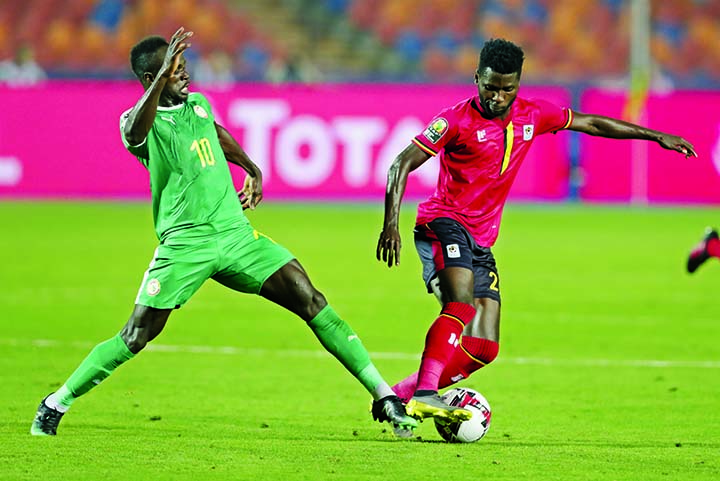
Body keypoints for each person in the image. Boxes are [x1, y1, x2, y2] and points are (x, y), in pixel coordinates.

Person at [30, 27, 417, 437]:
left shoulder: (196, 104)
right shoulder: (137, 120)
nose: (186, 75)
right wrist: (162, 77)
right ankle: (56, 403)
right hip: (186, 244)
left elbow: (214, 132)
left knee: (310, 297)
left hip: (236, 235)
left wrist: (250, 166)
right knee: (136, 334)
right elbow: (134, 134)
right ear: (152, 78)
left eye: (183, 67)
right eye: (175, 70)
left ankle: (383, 396)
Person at [376, 38, 697, 422]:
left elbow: (591, 122)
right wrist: (390, 225)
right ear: (477, 78)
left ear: (518, 85)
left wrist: (654, 135)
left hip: (480, 238)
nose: (496, 97)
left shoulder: (533, 115)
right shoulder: (454, 120)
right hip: (443, 222)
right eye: (490, 87)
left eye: (506, 89)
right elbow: (401, 164)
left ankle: (400, 395)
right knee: (459, 304)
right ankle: (429, 393)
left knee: (482, 346)